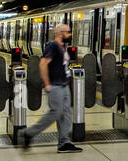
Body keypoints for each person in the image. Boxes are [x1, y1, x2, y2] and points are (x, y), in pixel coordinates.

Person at [22, 22, 83, 152]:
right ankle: (29, 133)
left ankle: (64, 143)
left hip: (63, 84)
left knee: (65, 114)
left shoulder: (62, 47)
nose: (70, 34)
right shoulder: (53, 46)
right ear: (60, 33)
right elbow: (43, 63)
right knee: (55, 112)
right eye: (68, 32)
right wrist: (47, 83)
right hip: (55, 85)